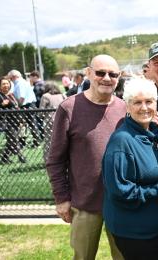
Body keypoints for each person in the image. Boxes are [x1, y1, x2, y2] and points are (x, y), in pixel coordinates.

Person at [46, 54, 125, 260]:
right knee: (83, 257)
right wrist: (61, 198)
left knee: (125, 256)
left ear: (119, 77)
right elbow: (55, 159)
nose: (107, 78)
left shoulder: (124, 108)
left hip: (120, 202)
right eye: (100, 73)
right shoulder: (69, 107)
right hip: (85, 203)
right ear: (89, 73)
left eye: (113, 74)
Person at [102, 78, 158, 260]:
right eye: (137, 102)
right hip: (136, 233)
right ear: (127, 107)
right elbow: (120, 192)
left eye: (149, 102)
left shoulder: (155, 134)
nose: (144, 107)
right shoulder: (121, 142)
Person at [0, 77, 24, 164]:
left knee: (11, 141)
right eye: (3, 84)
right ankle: (21, 157)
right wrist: (1, 105)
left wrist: (21, 120)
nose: (6, 85)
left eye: (7, 83)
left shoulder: (11, 94)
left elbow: (17, 106)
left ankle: (4, 158)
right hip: (7, 121)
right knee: (14, 139)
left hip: (16, 120)